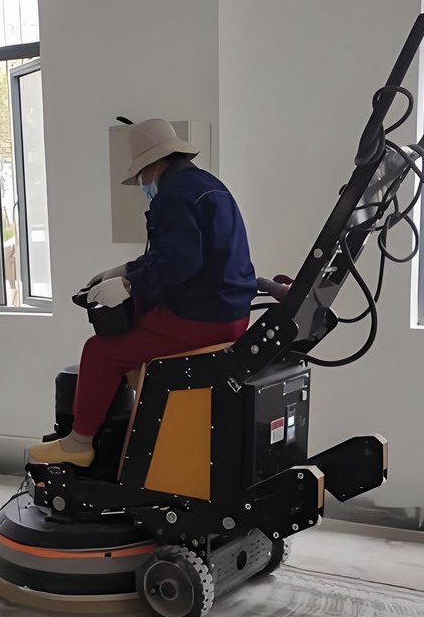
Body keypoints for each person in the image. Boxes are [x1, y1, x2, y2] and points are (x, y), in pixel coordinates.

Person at [28, 119, 257, 468]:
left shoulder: (174, 194)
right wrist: (125, 270)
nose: (141, 184)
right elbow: (182, 255)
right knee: (135, 331)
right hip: (232, 314)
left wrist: (129, 285)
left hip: (202, 319)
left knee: (100, 352)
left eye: (140, 176)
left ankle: (79, 444)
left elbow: (179, 262)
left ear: (151, 164)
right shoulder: (211, 186)